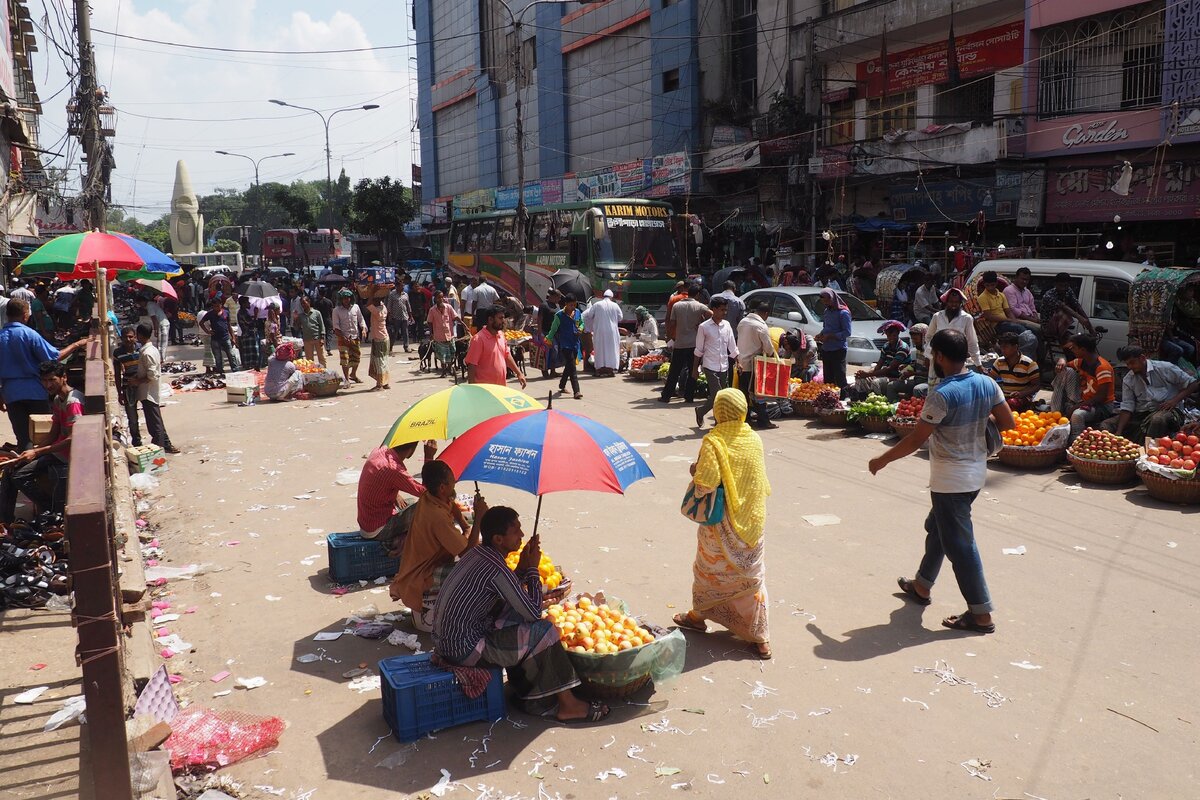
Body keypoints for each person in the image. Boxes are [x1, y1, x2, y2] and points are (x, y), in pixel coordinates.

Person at [869, 329, 1014, 635]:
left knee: (961, 546)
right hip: (975, 474)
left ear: (940, 356)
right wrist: (979, 419)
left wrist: (881, 460)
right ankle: (921, 586)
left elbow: (916, 440)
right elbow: (1008, 422)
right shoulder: (986, 382)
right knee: (939, 529)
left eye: (933, 353)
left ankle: (981, 614)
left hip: (950, 480)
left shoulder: (943, 394)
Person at [433, 505, 609, 722]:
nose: (522, 535)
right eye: (515, 530)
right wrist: (533, 568)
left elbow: (510, 592)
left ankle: (528, 690)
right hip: (465, 650)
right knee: (544, 630)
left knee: (519, 617)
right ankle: (568, 705)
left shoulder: (480, 553)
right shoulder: (495, 568)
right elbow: (533, 612)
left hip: (450, 642)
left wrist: (524, 568)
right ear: (498, 539)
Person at [672, 389, 772, 658]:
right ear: (742, 410)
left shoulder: (713, 441)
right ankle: (760, 638)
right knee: (750, 578)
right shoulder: (754, 439)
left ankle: (697, 617)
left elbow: (704, 484)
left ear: (718, 412)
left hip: (722, 525)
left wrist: (695, 469)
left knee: (710, 573)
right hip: (752, 520)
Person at [391, 460, 487, 631]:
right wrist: (479, 518)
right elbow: (467, 554)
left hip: (416, 565)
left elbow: (451, 505)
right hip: (422, 574)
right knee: (476, 569)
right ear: (442, 487)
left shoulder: (429, 497)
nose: (454, 483)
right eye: (451, 481)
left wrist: (465, 526)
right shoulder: (436, 516)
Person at [0, 361, 84, 523]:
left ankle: (49, 508)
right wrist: (33, 450)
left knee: (20, 475)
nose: (48, 384)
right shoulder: (59, 400)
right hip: (58, 452)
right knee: (11, 470)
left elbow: (73, 439)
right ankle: (6, 521)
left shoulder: (73, 402)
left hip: (67, 455)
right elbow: (54, 432)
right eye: (44, 381)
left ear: (64, 378)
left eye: (52, 380)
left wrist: (38, 452)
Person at [0, 300, 87, 451]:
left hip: (11, 393)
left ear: (7, 315)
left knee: (23, 438)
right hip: (35, 392)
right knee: (43, 434)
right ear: (25, 315)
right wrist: (77, 344)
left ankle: (25, 469)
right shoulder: (29, 334)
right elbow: (53, 357)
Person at [1102, 345, 1200, 442]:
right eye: (1127, 364)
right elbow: (1128, 406)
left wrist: (1174, 401)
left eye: (1132, 363)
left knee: (1157, 419)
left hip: (1169, 411)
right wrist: (1119, 431)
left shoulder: (1165, 368)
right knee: (1107, 424)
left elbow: (1193, 384)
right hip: (1142, 412)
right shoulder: (1128, 379)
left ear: (1142, 358)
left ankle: (1150, 450)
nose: (1130, 367)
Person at [359, 438, 438, 554]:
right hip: (378, 530)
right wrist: (429, 457)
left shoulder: (379, 451)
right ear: (412, 450)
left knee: (410, 502)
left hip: (367, 521)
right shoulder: (393, 468)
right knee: (428, 506)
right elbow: (426, 493)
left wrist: (395, 493)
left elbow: (380, 479)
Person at [1050, 332, 1115, 441]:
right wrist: (1061, 360)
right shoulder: (1081, 362)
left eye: (1074, 348)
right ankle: (1055, 414)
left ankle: (1076, 441)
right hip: (1084, 399)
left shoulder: (1102, 367)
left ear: (1083, 350)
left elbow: (1101, 397)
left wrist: (1076, 407)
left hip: (1101, 406)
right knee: (1066, 371)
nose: (1072, 350)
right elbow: (1065, 365)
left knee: (1077, 415)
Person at [127, 324, 180, 453]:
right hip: (148, 391)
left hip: (148, 392)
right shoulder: (150, 350)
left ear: (139, 335)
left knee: (154, 425)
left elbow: (152, 375)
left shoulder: (147, 353)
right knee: (156, 422)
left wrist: (136, 381)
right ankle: (164, 445)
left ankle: (158, 451)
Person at [693, 297, 739, 428]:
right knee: (718, 395)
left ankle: (701, 411)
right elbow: (698, 350)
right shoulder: (704, 327)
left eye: (726, 310)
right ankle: (719, 422)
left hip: (724, 366)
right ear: (713, 310)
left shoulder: (727, 325)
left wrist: (738, 361)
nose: (724, 313)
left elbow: (732, 346)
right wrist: (694, 369)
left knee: (720, 395)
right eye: (722, 310)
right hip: (709, 365)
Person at [660, 285, 709, 403]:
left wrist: (672, 335)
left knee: (674, 371)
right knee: (693, 370)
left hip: (680, 343)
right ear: (697, 295)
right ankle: (689, 396)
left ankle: (666, 396)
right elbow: (712, 314)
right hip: (693, 344)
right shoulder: (700, 306)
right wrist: (702, 324)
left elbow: (672, 323)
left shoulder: (677, 305)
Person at [735, 299, 778, 430]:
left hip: (740, 363)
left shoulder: (743, 322)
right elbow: (769, 349)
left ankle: (746, 418)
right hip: (753, 365)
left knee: (744, 393)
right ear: (765, 313)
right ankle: (764, 421)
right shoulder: (761, 326)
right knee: (758, 394)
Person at [925, 288, 981, 386]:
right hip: (937, 360)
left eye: (956, 302)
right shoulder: (937, 316)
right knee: (935, 389)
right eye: (951, 302)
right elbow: (929, 336)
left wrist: (978, 364)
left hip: (955, 361)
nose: (953, 305)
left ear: (960, 303)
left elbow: (972, 341)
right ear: (946, 302)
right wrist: (929, 354)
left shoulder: (967, 318)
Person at [466, 305, 527, 388]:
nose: (504, 321)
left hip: (500, 387)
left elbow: (507, 355)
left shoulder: (501, 335)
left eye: (504, 318)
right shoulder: (478, 339)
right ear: (490, 320)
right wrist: (472, 389)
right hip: (484, 389)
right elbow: (471, 365)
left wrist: (519, 373)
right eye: (500, 318)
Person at [854, 320, 910, 398]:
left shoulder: (903, 348)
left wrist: (868, 374)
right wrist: (865, 374)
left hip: (900, 378)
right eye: (888, 335)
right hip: (886, 375)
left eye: (893, 335)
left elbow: (889, 368)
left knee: (876, 382)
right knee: (861, 379)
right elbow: (879, 365)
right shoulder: (886, 346)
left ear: (898, 333)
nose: (891, 338)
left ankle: (881, 400)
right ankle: (863, 398)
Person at [986, 331, 1041, 411]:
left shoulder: (1029, 363)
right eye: (1001, 347)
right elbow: (989, 380)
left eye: (1006, 347)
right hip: (1004, 397)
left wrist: (1021, 393)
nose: (1002, 350)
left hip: (1022, 398)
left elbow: (1036, 385)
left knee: (1011, 403)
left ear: (1015, 347)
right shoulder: (999, 362)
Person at [1040, 272, 1095, 345]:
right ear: (1055, 284)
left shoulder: (1068, 290)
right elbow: (1064, 307)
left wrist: (1090, 326)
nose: (1063, 288)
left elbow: (1077, 306)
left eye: (1065, 286)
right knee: (1063, 311)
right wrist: (1079, 318)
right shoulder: (1049, 295)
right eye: (1060, 285)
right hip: (1048, 326)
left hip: (1061, 326)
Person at [816, 287, 852, 391]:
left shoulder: (843, 313)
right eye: (823, 301)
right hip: (826, 349)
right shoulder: (827, 311)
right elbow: (826, 327)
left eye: (827, 300)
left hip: (838, 349)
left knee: (840, 377)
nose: (825, 303)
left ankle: (844, 396)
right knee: (828, 378)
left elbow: (847, 332)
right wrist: (821, 334)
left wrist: (830, 336)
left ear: (832, 299)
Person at [548, 296, 584, 399]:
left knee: (569, 365)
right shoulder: (559, 315)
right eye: (570, 305)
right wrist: (548, 339)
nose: (573, 307)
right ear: (565, 304)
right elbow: (553, 329)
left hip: (575, 343)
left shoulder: (577, 312)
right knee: (572, 367)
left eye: (574, 304)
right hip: (565, 344)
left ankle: (562, 384)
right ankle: (576, 391)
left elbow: (582, 323)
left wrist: (581, 328)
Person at [113, 327, 144, 446]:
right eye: (125, 337)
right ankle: (137, 442)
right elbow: (117, 373)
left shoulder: (141, 349)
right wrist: (119, 392)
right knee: (132, 417)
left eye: (131, 336)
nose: (128, 339)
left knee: (149, 412)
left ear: (135, 337)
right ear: (121, 338)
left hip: (142, 384)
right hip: (128, 387)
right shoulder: (118, 353)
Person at [582, 289, 622, 376]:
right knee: (611, 349)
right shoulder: (615, 305)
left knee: (599, 349)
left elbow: (589, 315)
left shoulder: (597, 304)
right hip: (612, 331)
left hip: (599, 330)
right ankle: (611, 370)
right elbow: (620, 317)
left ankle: (599, 370)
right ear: (611, 297)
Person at [887, 322, 929, 401]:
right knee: (891, 386)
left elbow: (931, 373)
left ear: (924, 337)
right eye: (913, 339)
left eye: (916, 339)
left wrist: (913, 373)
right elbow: (917, 364)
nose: (914, 341)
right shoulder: (919, 349)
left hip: (927, 383)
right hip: (916, 380)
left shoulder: (930, 352)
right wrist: (907, 367)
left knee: (918, 389)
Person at [332, 289, 366, 387]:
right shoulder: (336, 310)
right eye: (344, 298)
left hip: (355, 337)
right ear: (341, 299)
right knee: (345, 359)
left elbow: (361, 319)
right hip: (343, 338)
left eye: (348, 298)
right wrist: (343, 337)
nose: (346, 300)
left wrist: (363, 328)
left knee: (357, 358)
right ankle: (347, 380)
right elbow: (336, 327)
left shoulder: (356, 307)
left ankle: (353, 374)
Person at [199, 297, 240, 374]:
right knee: (218, 357)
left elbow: (229, 325)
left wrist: (233, 337)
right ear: (213, 306)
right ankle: (220, 371)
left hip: (225, 337)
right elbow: (201, 323)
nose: (217, 308)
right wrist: (208, 332)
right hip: (215, 339)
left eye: (218, 306)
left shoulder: (226, 313)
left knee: (231, 355)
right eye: (215, 306)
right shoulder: (210, 314)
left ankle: (235, 370)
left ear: (221, 305)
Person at [427, 290, 461, 377]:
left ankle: (449, 369)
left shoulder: (449, 307)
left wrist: (464, 325)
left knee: (452, 352)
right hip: (439, 336)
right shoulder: (432, 310)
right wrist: (431, 333)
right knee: (442, 355)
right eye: (439, 297)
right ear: (435, 299)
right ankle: (444, 371)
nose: (441, 299)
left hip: (450, 335)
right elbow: (430, 322)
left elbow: (456, 317)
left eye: (442, 297)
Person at [1002, 267, 1041, 334]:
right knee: (1039, 328)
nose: (1024, 282)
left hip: (1030, 316)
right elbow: (1013, 310)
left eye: (1027, 280)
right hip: (1019, 319)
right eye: (1022, 279)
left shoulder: (1027, 291)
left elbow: (1032, 307)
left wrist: (1036, 317)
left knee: (1048, 322)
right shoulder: (1009, 290)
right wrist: (1033, 320)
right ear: (1016, 277)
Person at [365, 295, 390, 391]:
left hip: (379, 339)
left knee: (379, 362)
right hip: (384, 337)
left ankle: (380, 384)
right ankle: (385, 382)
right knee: (385, 361)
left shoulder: (377, 311)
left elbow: (368, 304)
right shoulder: (383, 307)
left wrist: (372, 292)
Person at [295, 294, 326, 367]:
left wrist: (322, 337)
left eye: (304, 303)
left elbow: (322, 325)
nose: (303, 305)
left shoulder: (316, 313)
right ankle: (311, 373)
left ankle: (324, 371)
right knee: (309, 360)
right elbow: (297, 328)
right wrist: (295, 319)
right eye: (301, 303)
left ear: (309, 302)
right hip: (307, 339)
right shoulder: (301, 315)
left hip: (317, 338)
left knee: (321, 357)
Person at [236, 297, 262, 371]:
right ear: (244, 304)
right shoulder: (242, 312)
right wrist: (256, 315)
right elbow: (251, 324)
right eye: (248, 302)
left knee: (251, 354)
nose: (249, 303)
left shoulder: (244, 312)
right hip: (249, 336)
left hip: (249, 335)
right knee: (253, 354)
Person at [385, 285, 411, 353]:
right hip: (395, 317)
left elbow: (408, 305)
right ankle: (390, 348)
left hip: (404, 316)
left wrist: (410, 315)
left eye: (402, 287)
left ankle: (406, 346)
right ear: (397, 287)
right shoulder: (392, 294)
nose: (402, 288)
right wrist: (389, 316)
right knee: (394, 333)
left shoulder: (405, 294)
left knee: (405, 332)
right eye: (400, 287)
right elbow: (389, 305)